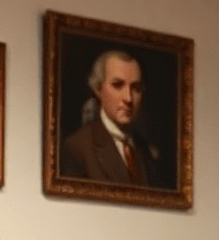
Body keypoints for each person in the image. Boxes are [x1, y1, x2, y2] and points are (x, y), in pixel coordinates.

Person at [60, 50, 158, 186]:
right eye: (118, 85)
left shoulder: (148, 151)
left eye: (136, 88)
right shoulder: (77, 149)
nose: (128, 98)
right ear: (97, 88)